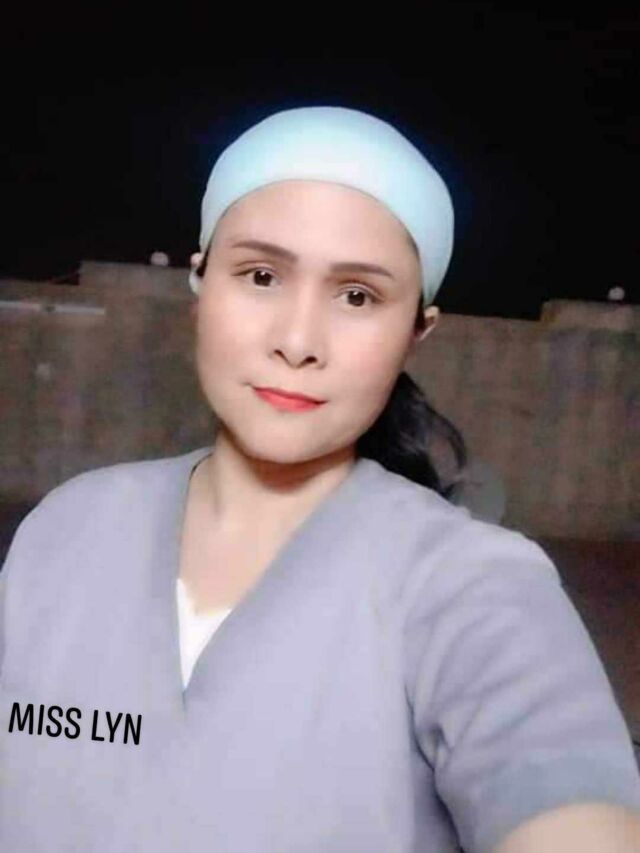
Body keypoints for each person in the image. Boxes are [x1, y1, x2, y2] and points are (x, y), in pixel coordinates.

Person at [1, 106, 639, 853]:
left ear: (418, 330)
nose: (299, 341)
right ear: (201, 281)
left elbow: (569, 805)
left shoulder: (474, 585)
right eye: (261, 275)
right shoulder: (68, 527)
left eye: (358, 295)